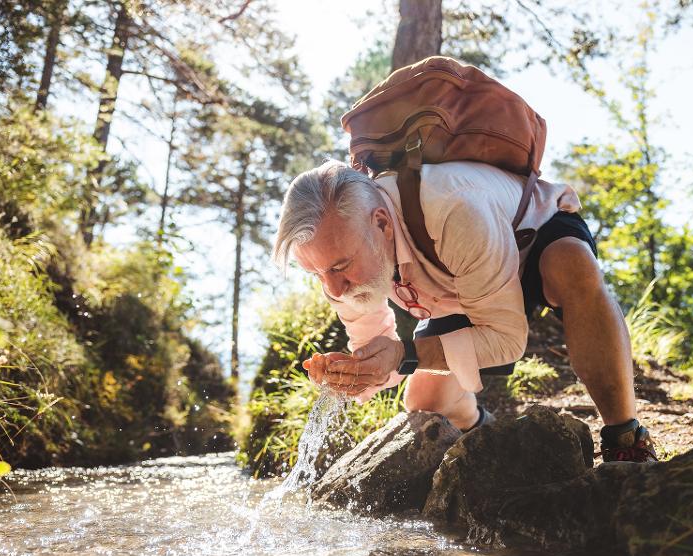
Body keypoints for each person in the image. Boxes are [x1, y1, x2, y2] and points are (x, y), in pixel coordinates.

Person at [272, 159, 657, 463]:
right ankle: (479, 429)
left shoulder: (453, 208)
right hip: (456, 285)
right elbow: (380, 360)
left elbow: (506, 341)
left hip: (530, 240)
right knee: (425, 408)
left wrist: (404, 355)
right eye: (316, 273)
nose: (332, 288)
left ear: (381, 223)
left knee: (571, 264)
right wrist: (356, 371)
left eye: (339, 267)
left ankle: (625, 436)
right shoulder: (341, 249)